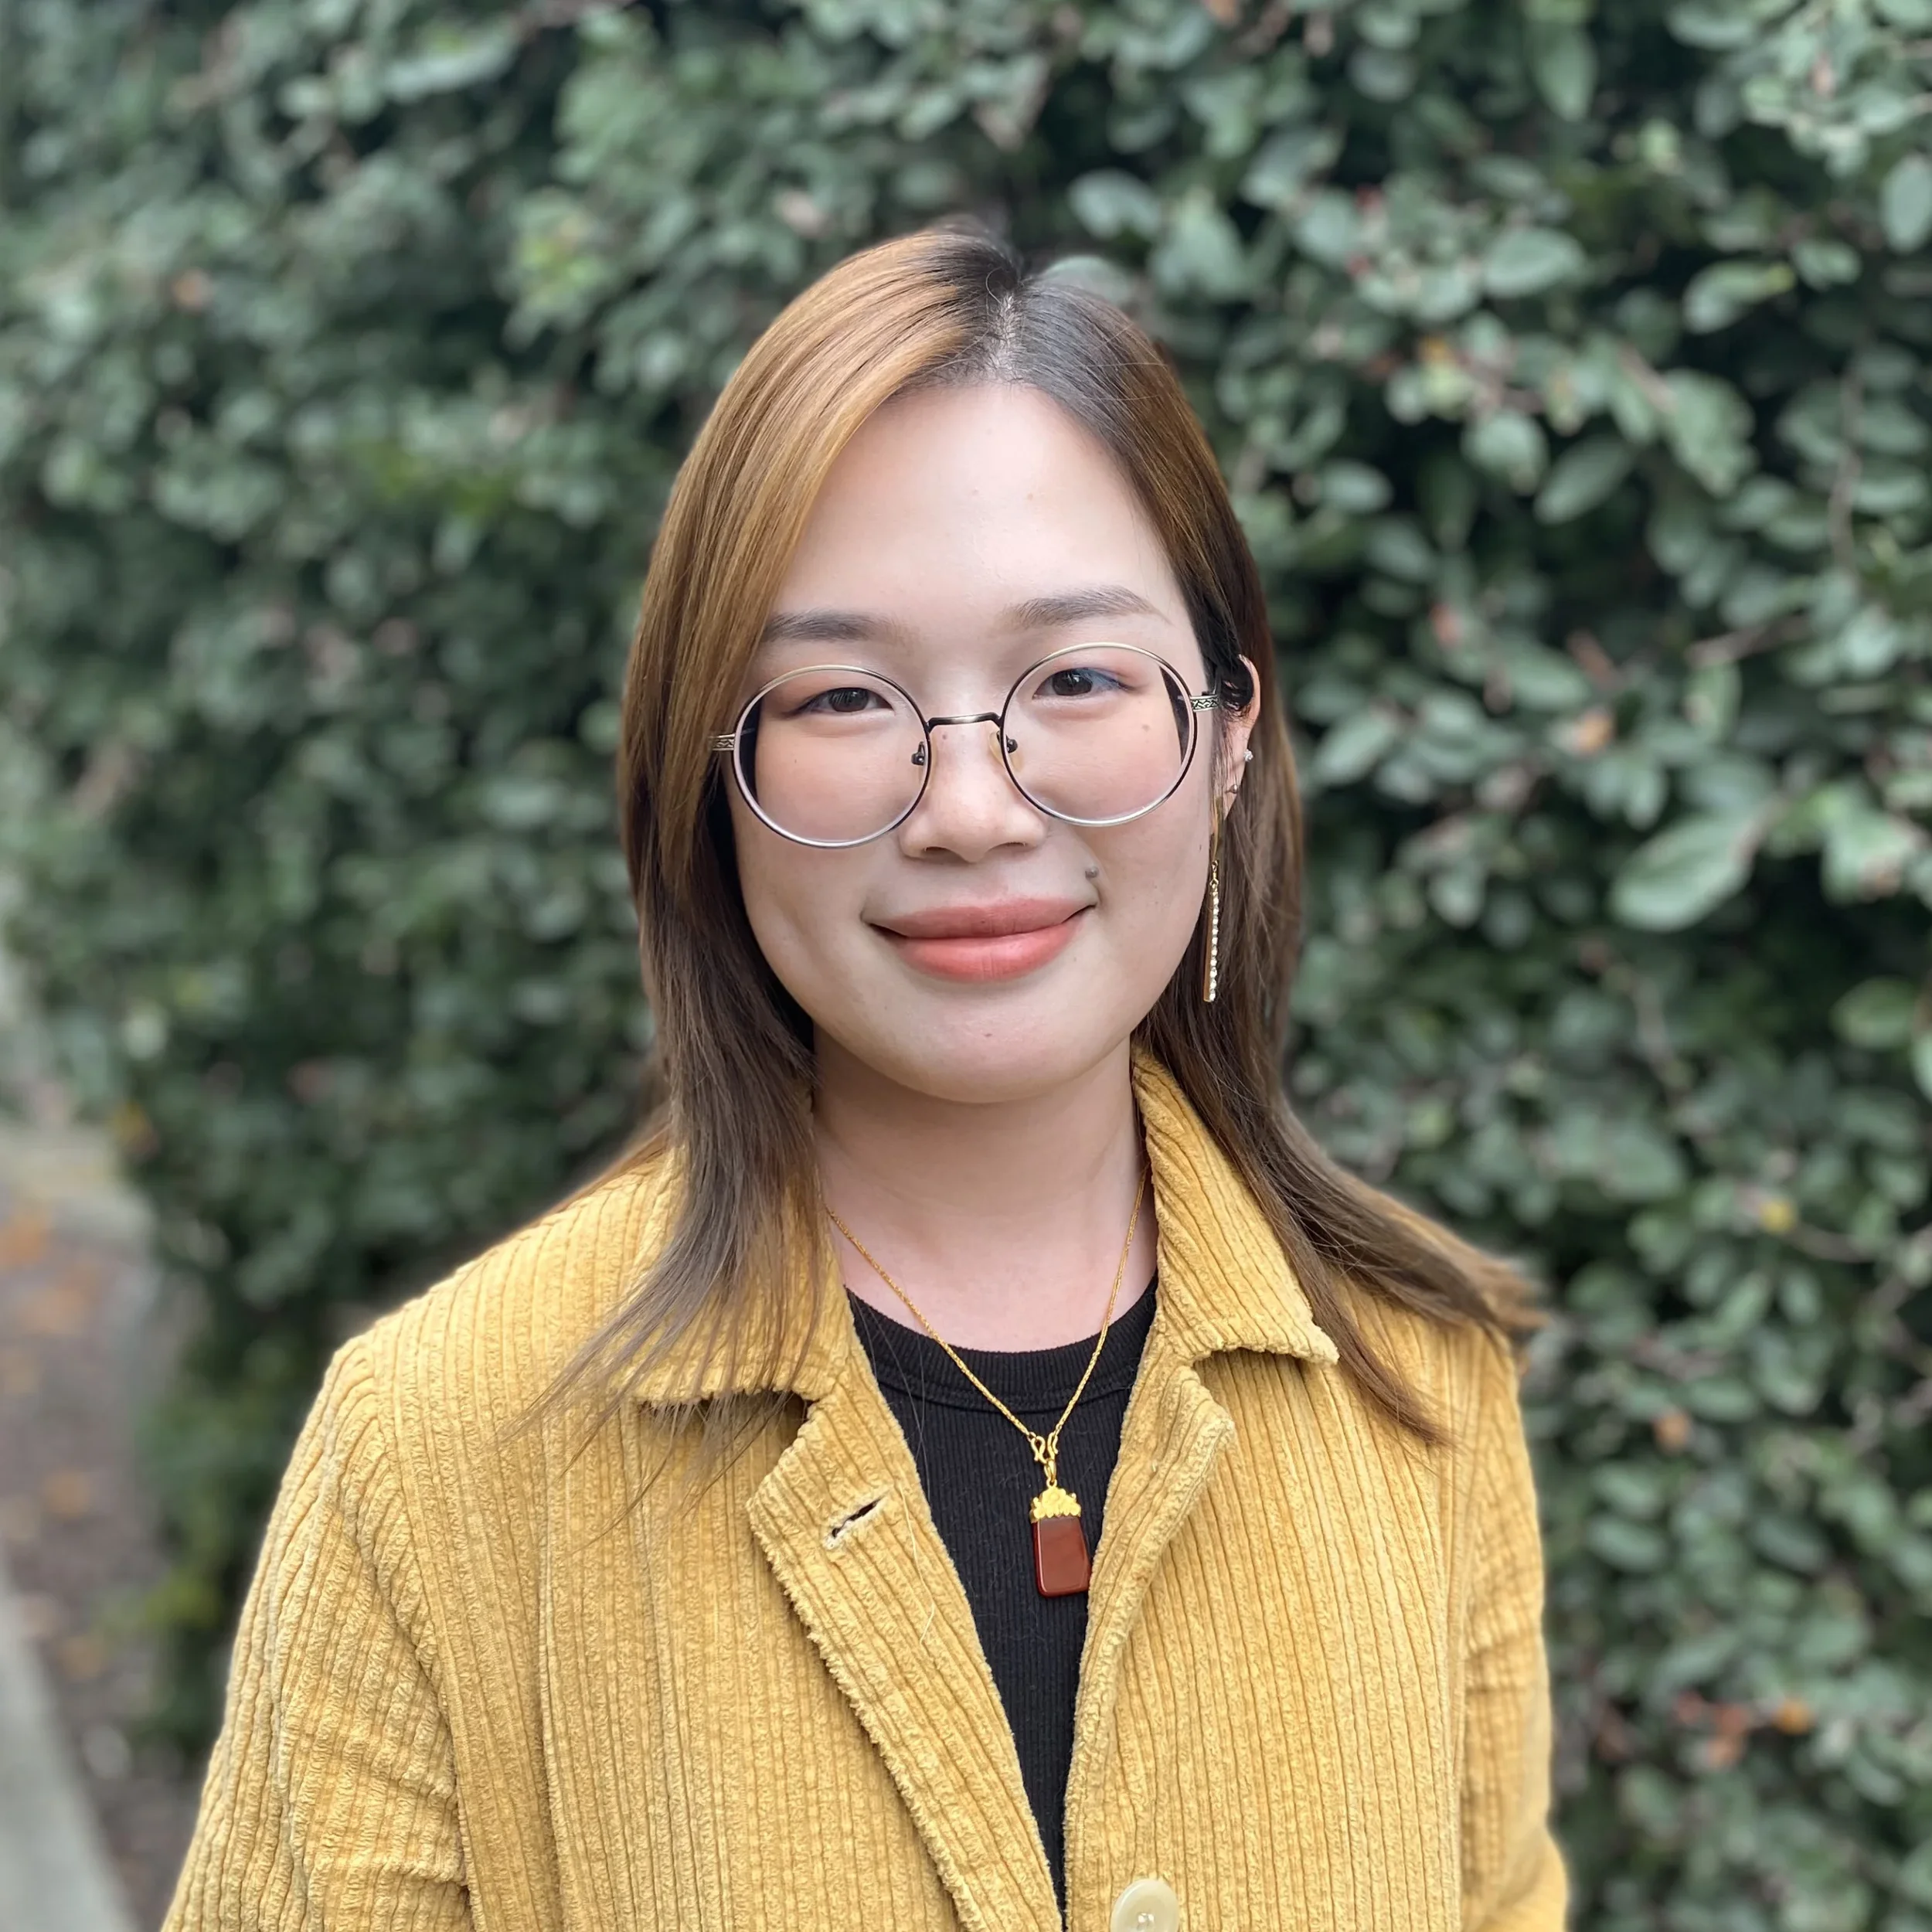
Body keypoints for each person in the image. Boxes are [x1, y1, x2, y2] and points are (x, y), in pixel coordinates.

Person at [164, 224, 1566, 1932]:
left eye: (1073, 678)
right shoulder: (442, 1448)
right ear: (713, 779)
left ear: (1226, 741)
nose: (969, 805)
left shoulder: (1417, 1381)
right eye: (840, 693)